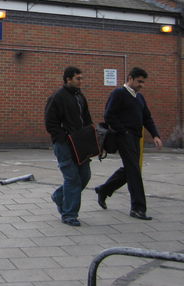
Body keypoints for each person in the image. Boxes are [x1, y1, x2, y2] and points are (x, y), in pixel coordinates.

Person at [94, 67, 163, 220]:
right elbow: (108, 115)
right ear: (130, 78)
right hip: (124, 137)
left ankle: (104, 190)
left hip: (135, 138)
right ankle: (138, 208)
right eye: (139, 81)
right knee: (134, 171)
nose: (141, 85)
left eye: (143, 82)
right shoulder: (118, 94)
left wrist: (155, 135)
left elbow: (147, 118)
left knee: (131, 169)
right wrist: (123, 131)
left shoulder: (140, 98)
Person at [44, 66, 93, 226]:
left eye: (81, 78)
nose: (81, 81)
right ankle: (70, 214)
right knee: (72, 178)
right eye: (78, 78)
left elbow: (86, 119)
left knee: (84, 176)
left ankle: (59, 196)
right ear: (68, 79)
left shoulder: (80, 97)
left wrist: (90, 135)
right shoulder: (57, 97)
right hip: (64, 144)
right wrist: (63, 137)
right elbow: (50, 123)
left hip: (81, 143)